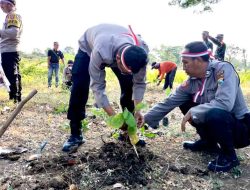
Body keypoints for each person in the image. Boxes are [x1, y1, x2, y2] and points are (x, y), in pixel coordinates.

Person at [144, 41, 250, 172]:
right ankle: (208, 142)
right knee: (184, 102)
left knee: (214, 113)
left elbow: (224, 103)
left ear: (198, 60)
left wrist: (195, 110)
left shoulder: (222, 70)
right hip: (220, 124)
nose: (183, 68)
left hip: (241, 129)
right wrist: (144, 119)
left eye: (185, 63)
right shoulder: (191, 82)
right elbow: (169, 102)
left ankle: (229, 156)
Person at [62, 24, 149, 152]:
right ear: (118, 59)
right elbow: (98, 87)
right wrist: (114, 117)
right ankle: (75, 134)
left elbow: (139, 83)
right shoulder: (100, 51)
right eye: (126, 70)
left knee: (129, 85)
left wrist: (137, 110)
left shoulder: (141, 52)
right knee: (79, 87)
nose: (129, 74)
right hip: (88, 48)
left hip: (118, 46)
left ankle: (128, 132)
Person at [0, 0, 23, 102]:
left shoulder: (12, 15)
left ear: (9, 4)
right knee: (9, 74)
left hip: (10, 50)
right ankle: (13, 96)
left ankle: (16, 98)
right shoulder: (10, 16)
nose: (0, 6)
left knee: (12, 74)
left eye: (2, 3)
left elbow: (14, 33)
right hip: (7, 49)